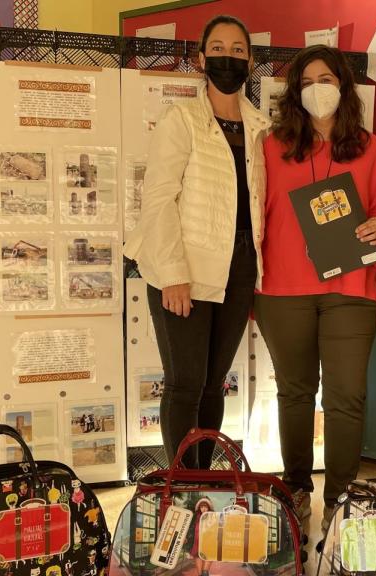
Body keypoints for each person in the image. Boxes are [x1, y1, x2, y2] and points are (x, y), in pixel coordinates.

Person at [255, 45, 376, 534]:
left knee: (346, 396)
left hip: (351, 286)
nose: (318, 89)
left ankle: (340, 499)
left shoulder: (368, 146)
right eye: (308, 81)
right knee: (294, 393)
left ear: (343, 86)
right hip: (282, 287)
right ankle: (295, 490)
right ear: (294, 92)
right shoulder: (270, 145)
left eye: (327, 79)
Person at [124, 14, 270, 468]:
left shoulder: (260, 126)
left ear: (251, 61)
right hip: (185, 265)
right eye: (219, 49)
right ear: (201, 59)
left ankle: (204, 479)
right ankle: (183, 484)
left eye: (238, 50)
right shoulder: (181, 119)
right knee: (185, 382)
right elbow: (159, 200)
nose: (229, 57)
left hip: (239, 265)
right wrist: (172, 275)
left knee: (212, 384)